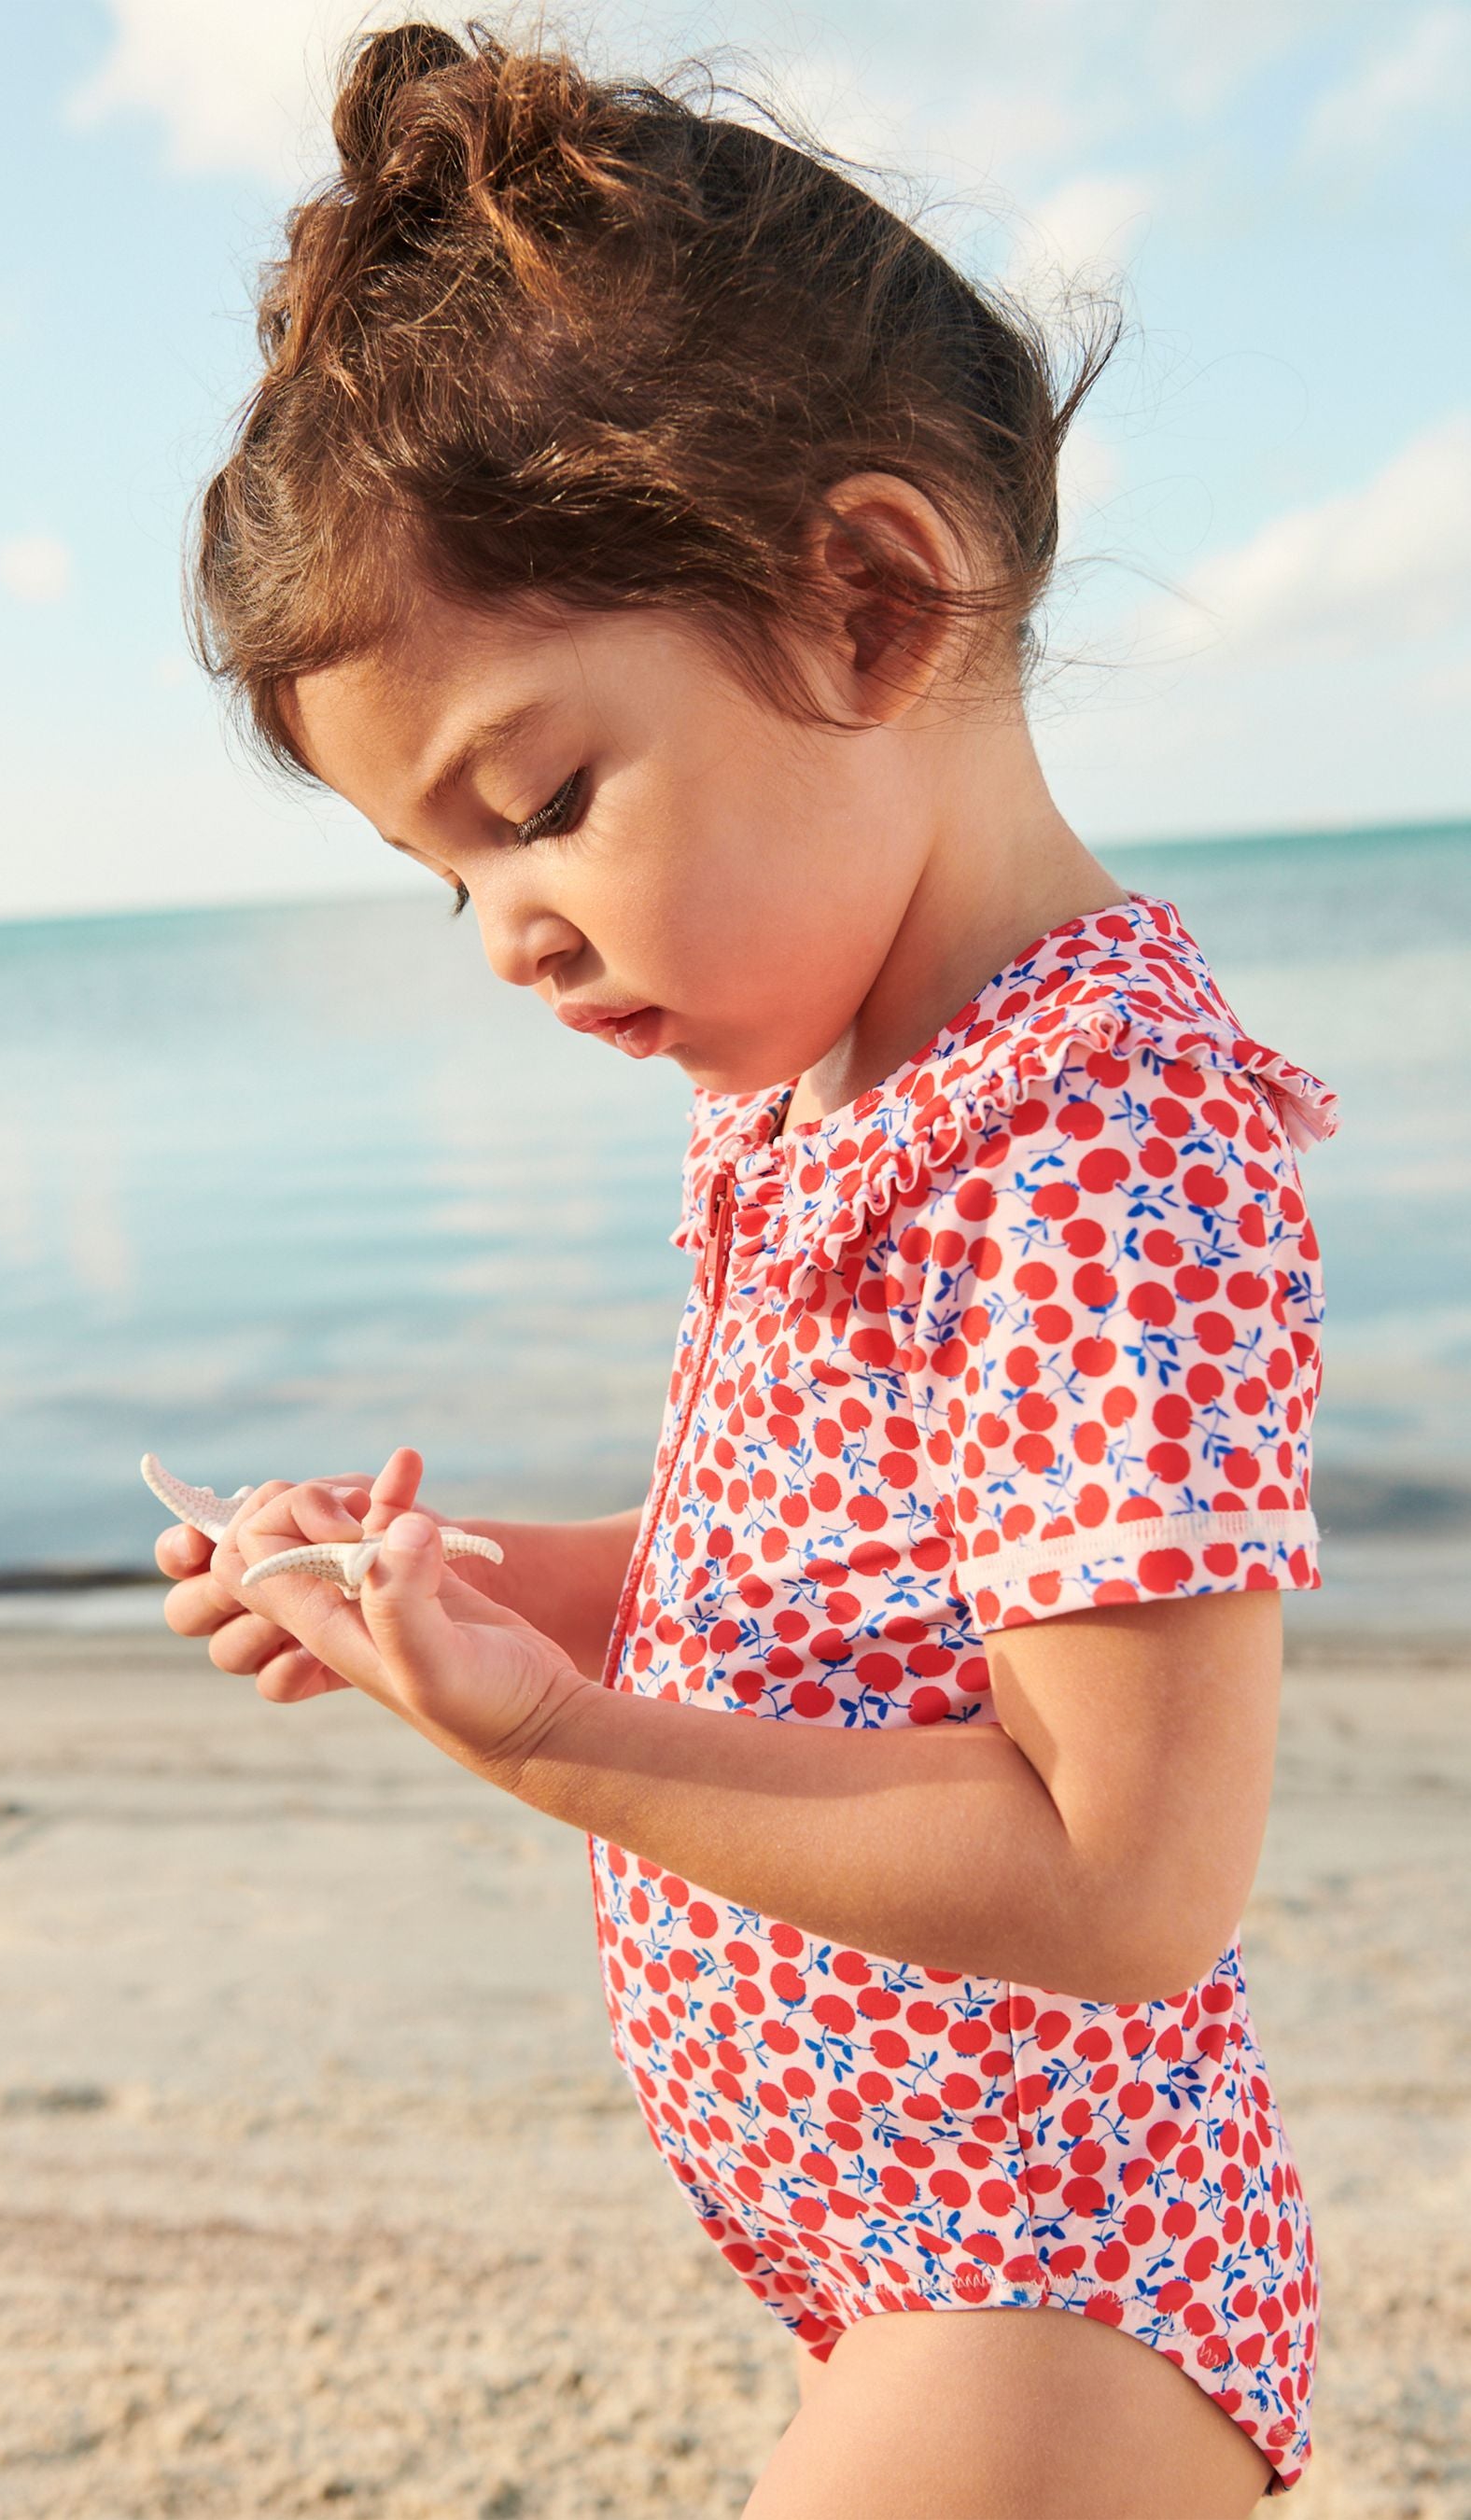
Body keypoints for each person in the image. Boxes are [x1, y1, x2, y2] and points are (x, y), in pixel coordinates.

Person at [154, 20, 1337, 2512]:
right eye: (449, 876)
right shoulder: (817, 1096)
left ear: (873, 602)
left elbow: (1127, 1870)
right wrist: (454, 1595)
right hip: (884, 2239)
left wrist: (552, 1744)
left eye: (545, 803)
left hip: (1042, 2275)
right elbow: (799, 1594)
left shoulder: (1089, 1139)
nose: (509, 936)